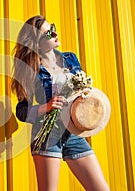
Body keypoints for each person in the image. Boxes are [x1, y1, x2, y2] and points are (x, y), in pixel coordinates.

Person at [11, 15, 109, 191]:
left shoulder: (70, 58)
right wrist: (46, 107)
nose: (55, 33)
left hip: (73, 133)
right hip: (47, 135)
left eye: (52, 28)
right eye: (48, 33)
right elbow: (22, 111)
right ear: (37, 43)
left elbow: (81, 91)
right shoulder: (31, 69)